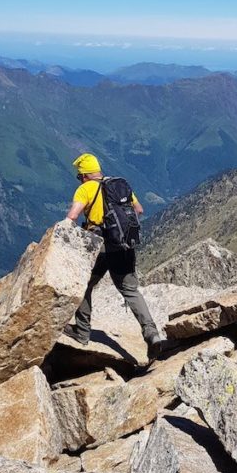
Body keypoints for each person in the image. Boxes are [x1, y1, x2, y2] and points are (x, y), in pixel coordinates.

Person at [63, 152, 166, 361]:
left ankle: (82, 333)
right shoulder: (118, 185)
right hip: (125, 246)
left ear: (83, 175)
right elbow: (139, 209)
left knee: (84, 285)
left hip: (100, 248)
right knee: (130, 291)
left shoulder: (86, 188)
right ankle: (151, 334)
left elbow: (72, 217)